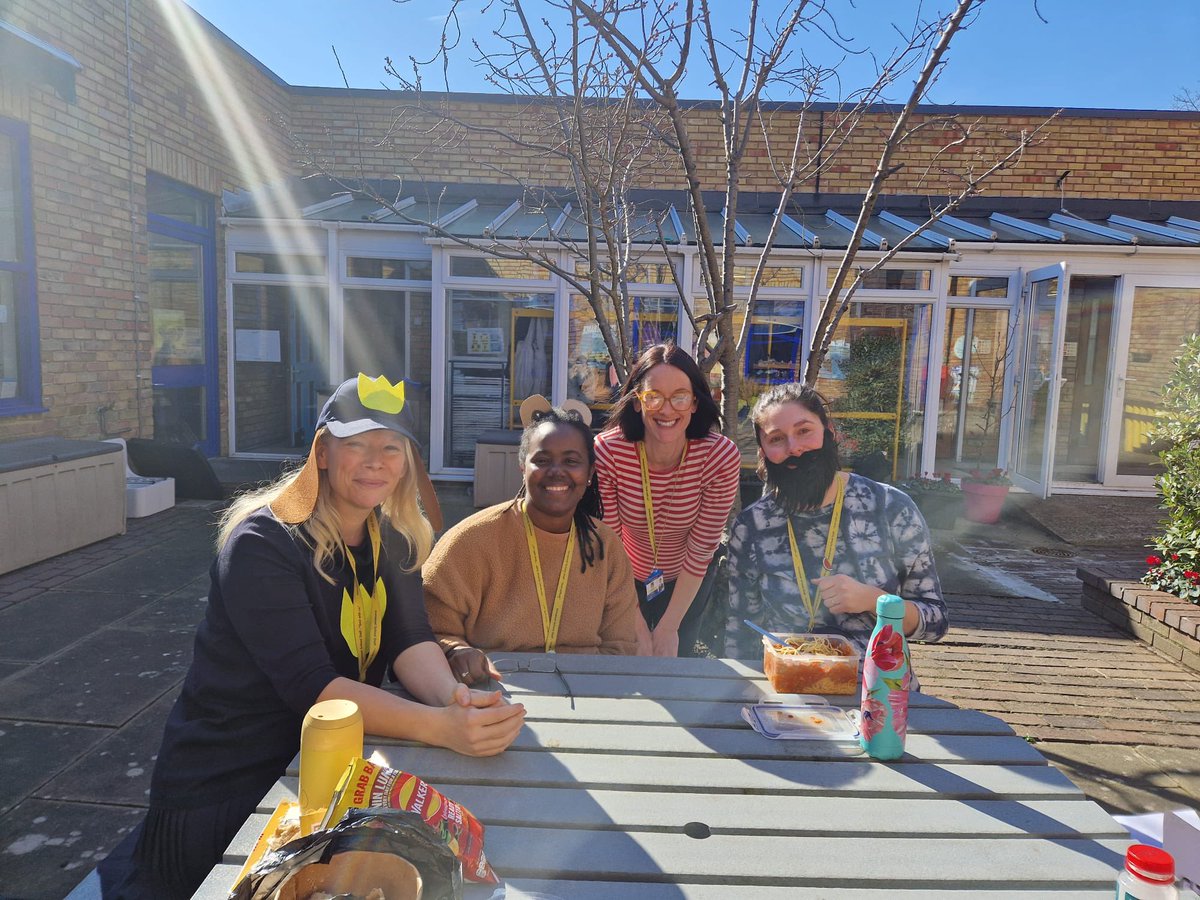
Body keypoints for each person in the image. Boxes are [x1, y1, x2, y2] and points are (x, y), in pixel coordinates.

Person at [98, 374, 524, 900]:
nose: (376, 460)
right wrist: (442, 728)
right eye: (357, 444)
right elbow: (314, 689)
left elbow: (411, 638)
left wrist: (456, 700)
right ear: (322, 453)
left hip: (326, 771)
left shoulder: (390, 534)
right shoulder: (262, 543)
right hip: (230, 781)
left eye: (391, 447)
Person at [724, 381, 948, 673]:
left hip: (876, 693)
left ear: (829, 433)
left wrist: (875, 600)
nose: (795, 448)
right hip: (788, 692)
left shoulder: (891, 508)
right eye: (777, 439)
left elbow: (936, 622)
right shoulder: (752, 526)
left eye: (804, 431)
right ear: (763, 452)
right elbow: (740, 631)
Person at [424, 402, 641, 681]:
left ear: (589, 474)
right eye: (542, 460)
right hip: (494, 691)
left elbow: (621, 645)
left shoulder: (605, 547)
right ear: (522, 467)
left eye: (571, 461)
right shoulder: (471, 540)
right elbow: (430, 627)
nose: (556, 471)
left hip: (587, 690)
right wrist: (456, 651)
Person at [594, 343, 741, 657]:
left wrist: (669, 627)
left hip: (688, 575)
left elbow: (702, 545)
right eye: (654, 396)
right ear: (637, 402)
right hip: (623, 573)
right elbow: (611, 543)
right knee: (627, 654)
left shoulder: (719, 456)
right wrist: (635, 624)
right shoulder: (609, 452)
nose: (667, 409)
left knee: (676, 655)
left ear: (694, 404)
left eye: (679, 397)